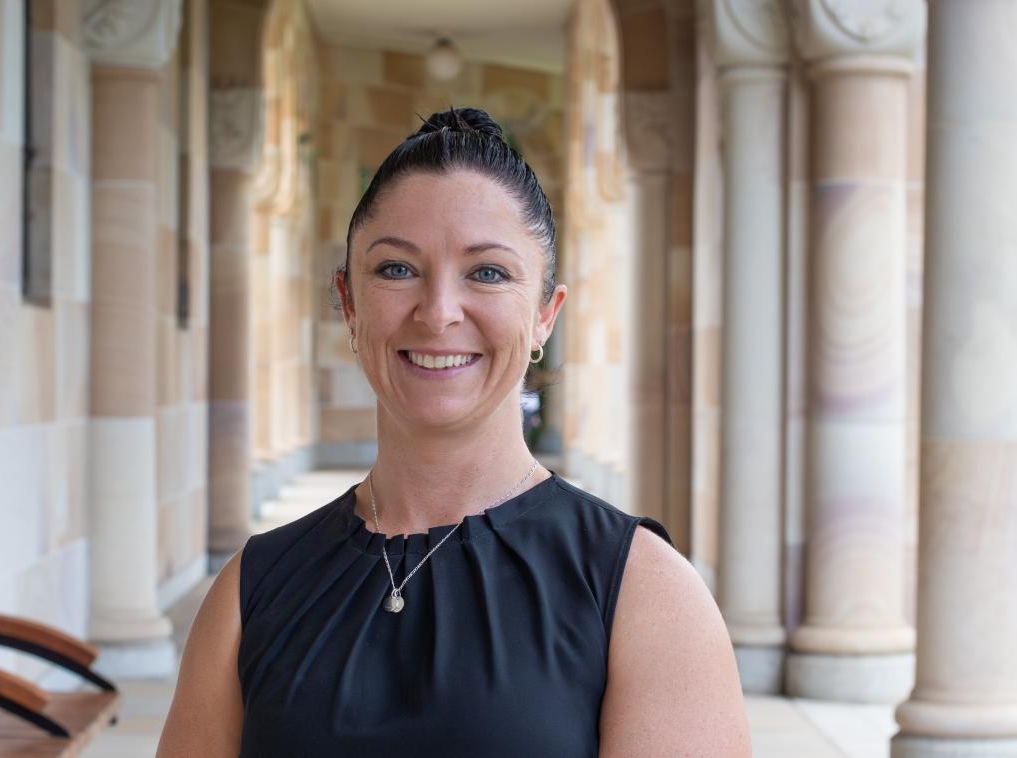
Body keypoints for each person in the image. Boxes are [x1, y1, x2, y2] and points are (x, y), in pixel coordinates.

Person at [158, 108, 750, 756]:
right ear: (349, 305)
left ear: (546, 316)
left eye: (487, 273)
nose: (438, 313)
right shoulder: (252, 590)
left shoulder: (641, 591)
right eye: (396, 269)